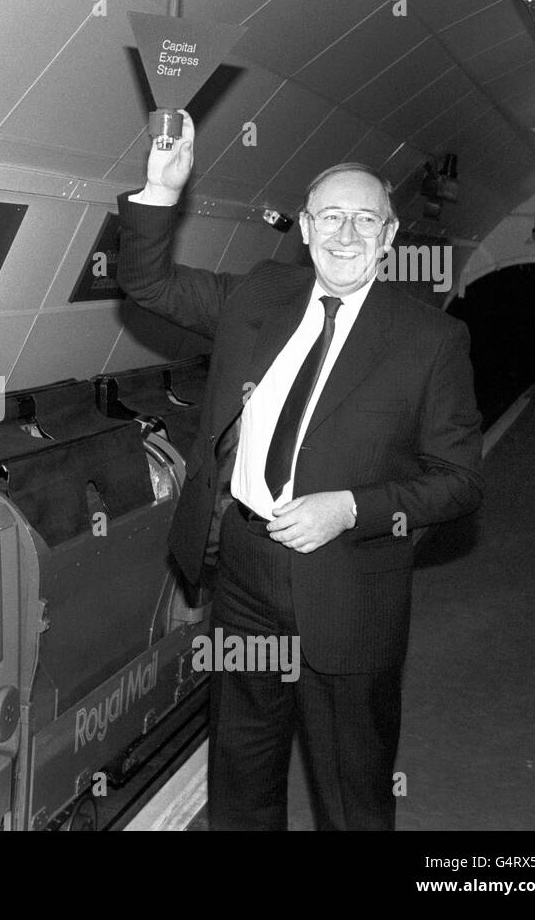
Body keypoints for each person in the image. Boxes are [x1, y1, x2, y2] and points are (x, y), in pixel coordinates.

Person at [116, 110, 483, 830]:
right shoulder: (257, 296)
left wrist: (350, 507)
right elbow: (148, 283)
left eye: (366, 221)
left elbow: (461, 478)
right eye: (332, 218)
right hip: (246, 566)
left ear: (390, 238)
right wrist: (160, 191)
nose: (347, 235)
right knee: (242, 767)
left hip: (349, 584)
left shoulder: (430, 341)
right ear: (306, 230)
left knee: (352, 789)